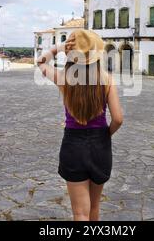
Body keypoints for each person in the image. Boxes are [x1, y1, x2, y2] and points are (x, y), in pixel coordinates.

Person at [37, 30, 123, 221]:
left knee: (80, 213)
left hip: (73, 145)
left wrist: (59, 48)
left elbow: (41, 62)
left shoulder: (64, 78)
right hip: (100, 145)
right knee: (94, 208)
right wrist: (105, 135)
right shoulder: (107, 80)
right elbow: (118, 119)